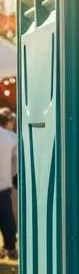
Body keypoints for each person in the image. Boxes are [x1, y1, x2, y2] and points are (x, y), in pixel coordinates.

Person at [0, 109, 17, 259]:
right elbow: (17, 162)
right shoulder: (11, 137)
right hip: (3, 184)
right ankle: (10, 247)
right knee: (6, 217)